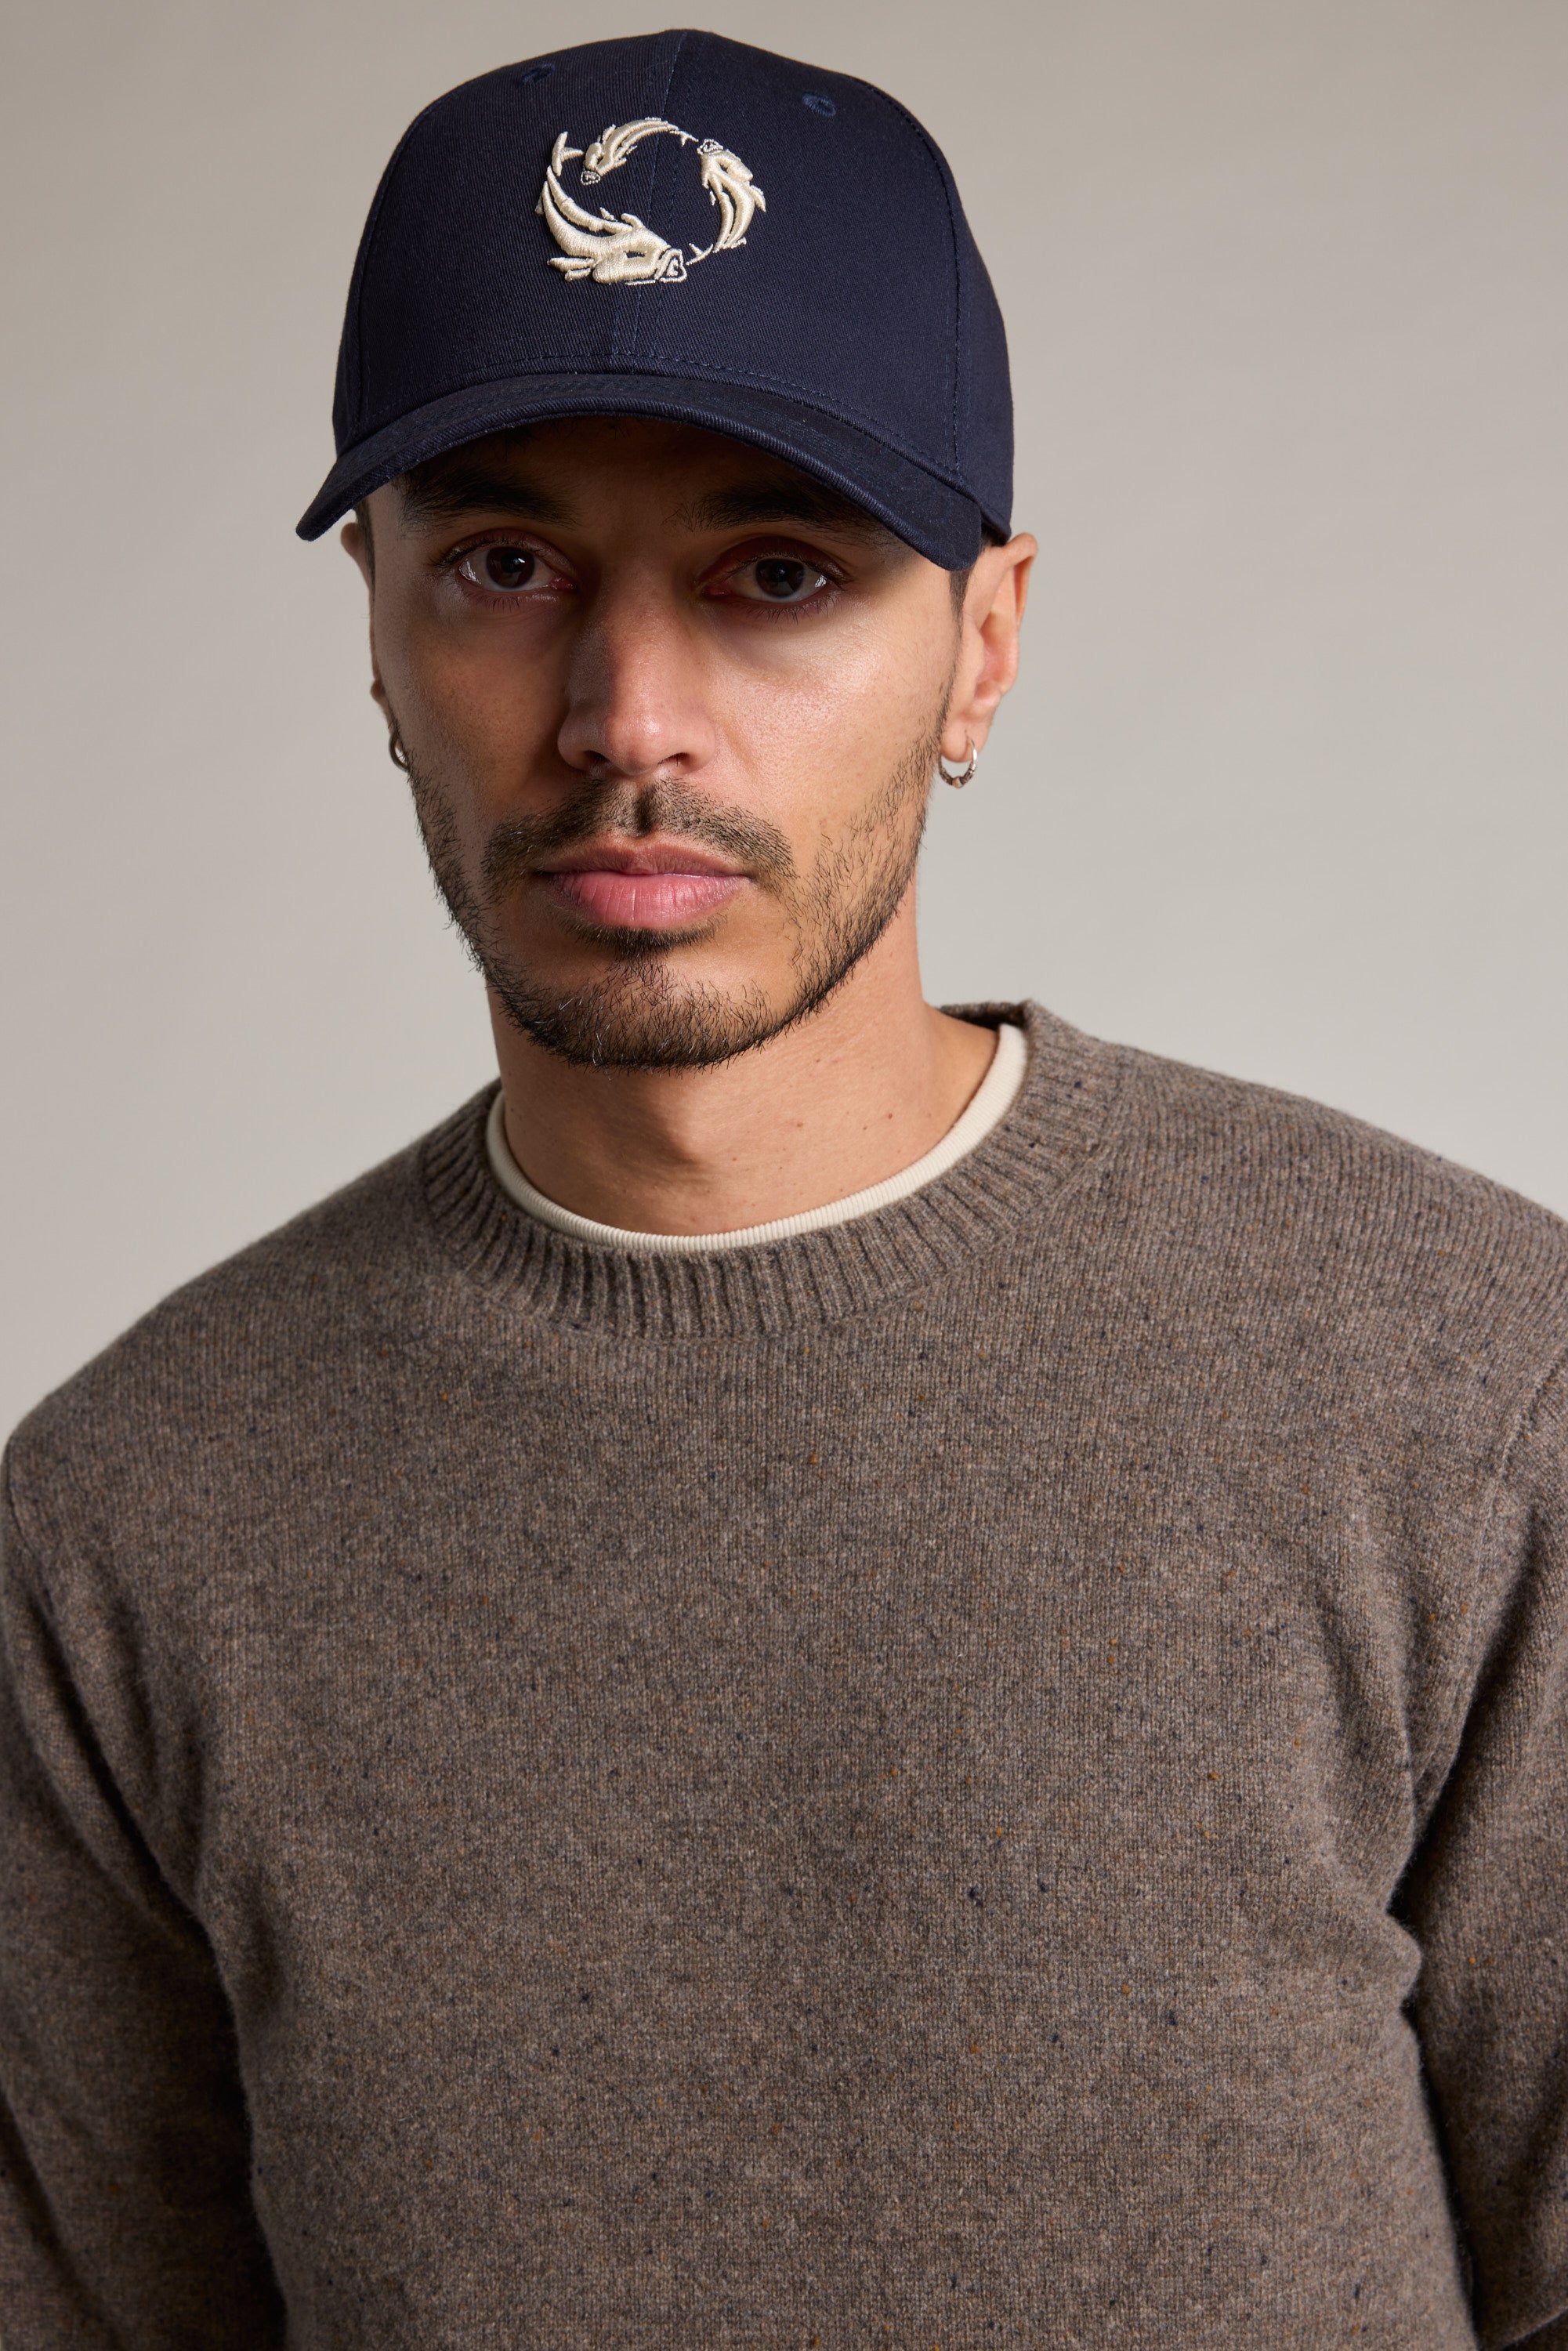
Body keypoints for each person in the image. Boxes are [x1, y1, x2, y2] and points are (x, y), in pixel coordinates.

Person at [1, 27, 1564, 2348]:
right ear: (378, 628)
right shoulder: (127, 1525)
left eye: (777, 572)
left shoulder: (1462, 1380)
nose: (632, 716)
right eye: (510, 563)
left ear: (986, 640)